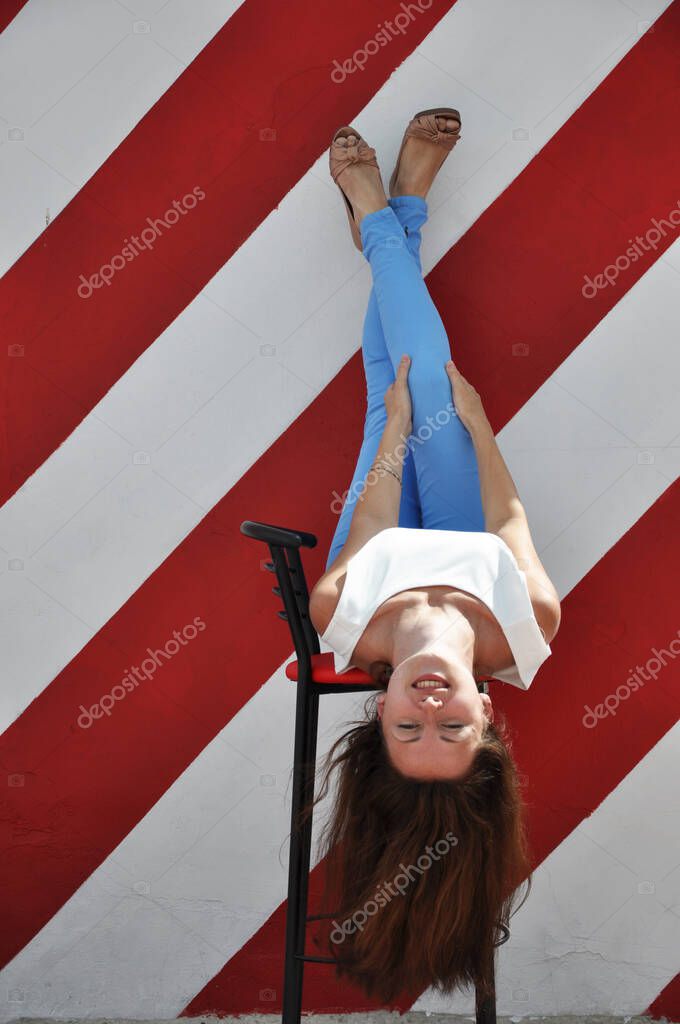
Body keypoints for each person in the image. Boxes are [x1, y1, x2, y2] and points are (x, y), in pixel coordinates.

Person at [304, 110, 562, 1002]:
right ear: (487, 722)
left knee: (396, 392)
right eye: (452, 732)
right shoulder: (526, 630)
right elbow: (509, 515)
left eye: (408, 732)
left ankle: (389, 208)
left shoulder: (345, 618)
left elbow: (375, 508)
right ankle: (388, 213)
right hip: (462, 529)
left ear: (376, 721)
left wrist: (394, 438)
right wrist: (479, 426)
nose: (429, 711)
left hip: (385, 537)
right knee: (428, 378)